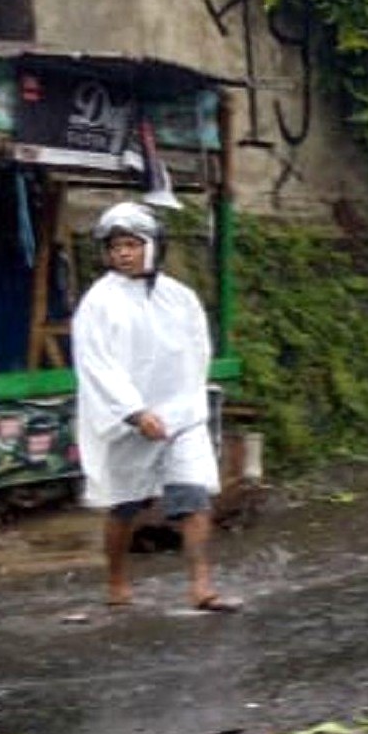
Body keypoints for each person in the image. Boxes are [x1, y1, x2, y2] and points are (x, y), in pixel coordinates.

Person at [71, 199, 239, 611]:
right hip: (128, 421)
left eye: (131, 243)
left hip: (180, 415)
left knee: (193, 496)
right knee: (126, 504)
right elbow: (96, 364)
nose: (123, 253)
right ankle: (115, 582)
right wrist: (134, 412)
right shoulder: (99, 303)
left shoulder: (179, 298)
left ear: (152, 245)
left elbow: (197, 351)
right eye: (115, 246)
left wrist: (188, 403)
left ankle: (202, 586)